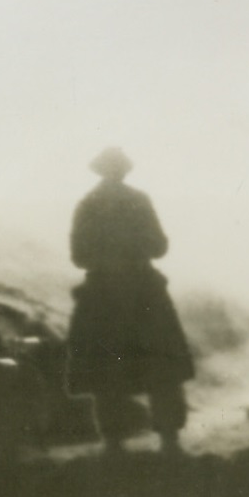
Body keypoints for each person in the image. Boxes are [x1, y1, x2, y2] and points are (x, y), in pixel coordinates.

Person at [65, 147, 194, 454]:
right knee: (161, 367)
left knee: (106, 370)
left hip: (102, 296)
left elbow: (78, 256)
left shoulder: (87, 204)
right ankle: (169, 440)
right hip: (142, 292)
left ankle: (113, 443)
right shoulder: (138, 201)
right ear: (124, 170)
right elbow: (159, 246)